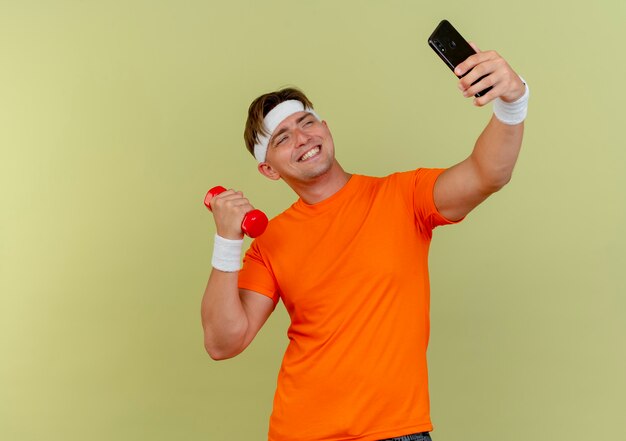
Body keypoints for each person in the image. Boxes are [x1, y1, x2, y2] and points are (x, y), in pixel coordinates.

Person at [201, 42, 529, 441]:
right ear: (268, 169)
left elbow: (486, 173)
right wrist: (226, 242)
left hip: (396, 432)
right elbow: (224, 342)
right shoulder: (270, 241)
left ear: (325, 128)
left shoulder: (403, 197)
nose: (302, 138)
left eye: (307, 122)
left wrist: (513, 102)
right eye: (283, 137)